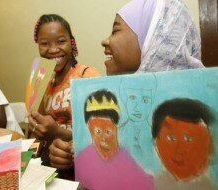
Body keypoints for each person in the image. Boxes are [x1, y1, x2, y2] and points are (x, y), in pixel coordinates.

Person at [49, 0, 205, 171]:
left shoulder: (200, 119)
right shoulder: (113, 109)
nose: (105, 41)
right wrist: (69, 153)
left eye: (115, 30)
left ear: (153, 39)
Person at [27, 14, 100, 172]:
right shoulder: (40, 82)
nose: (53, 50)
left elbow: (99, 135)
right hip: (50, 167)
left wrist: (56, 132)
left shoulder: (87, 76)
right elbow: (35, 135)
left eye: (61, 41)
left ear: (72, 43)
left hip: (85, 165)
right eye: (45, 43)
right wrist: (30, 162)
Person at [75, 89, 153, 189]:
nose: (103, 139)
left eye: (108, 132)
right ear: (90, 129)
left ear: (116, 129)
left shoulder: (126, 158)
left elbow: (145, 184)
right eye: (98, 132)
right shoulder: (83, 158)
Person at [152, 98, 215, 190]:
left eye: (189, 139)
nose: (179, 150)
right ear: (156, 142)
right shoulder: (151, 184)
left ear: (208, 143)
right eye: (171, 138)